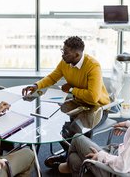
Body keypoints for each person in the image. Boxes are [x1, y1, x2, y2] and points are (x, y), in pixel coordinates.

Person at [57, 67, 130, 177]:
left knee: (77, 139)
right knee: (75, 160)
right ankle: (73, 166)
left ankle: (70, 165)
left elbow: (123, 166)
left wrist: (102, 156)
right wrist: (129, 125)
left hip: (123, 172)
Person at [22, 36, 110, 168]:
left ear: (77, 54)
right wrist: (37, 85)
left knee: (74, 128)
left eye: (66, 52)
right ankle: (69, 153)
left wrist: (72, 89)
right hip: (78, 102)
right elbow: (53, 76)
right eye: (62, 51)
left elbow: (93, 97)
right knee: (53, 121)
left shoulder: (93, 66)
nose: (63, 55)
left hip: (97, 107)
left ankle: (79, 159)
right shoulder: (65, 62)